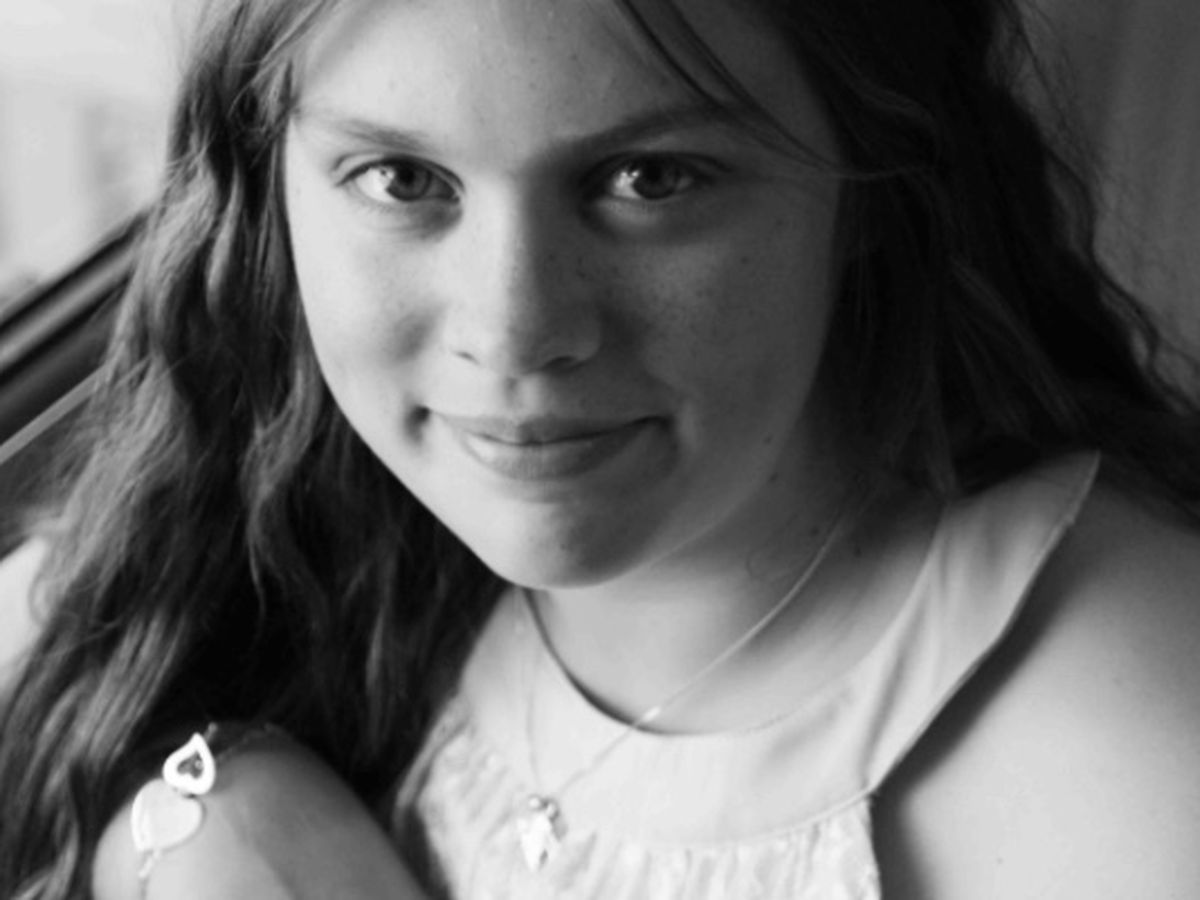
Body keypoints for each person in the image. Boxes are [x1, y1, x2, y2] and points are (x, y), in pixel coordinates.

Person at [2, 0, 1199, 896]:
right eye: (403, 179)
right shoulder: (297, 549)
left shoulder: (1130, 764)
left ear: (875, 192)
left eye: (650, 179)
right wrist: (206, 828)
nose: (514, 332)